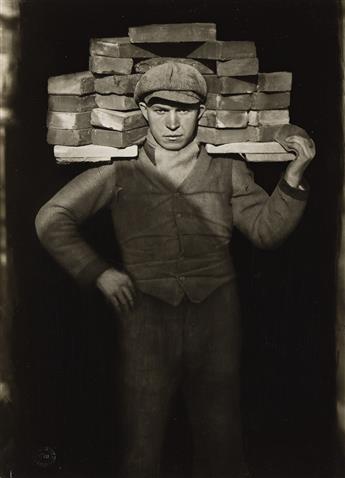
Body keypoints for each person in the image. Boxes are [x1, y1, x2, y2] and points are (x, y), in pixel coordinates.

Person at [35, 62, 316, 478]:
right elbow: (51, 218)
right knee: (142, 445)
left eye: (183, 110)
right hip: (146, 318)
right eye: (160, 109)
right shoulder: (119, 172)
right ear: (144, 111)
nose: (171, 122)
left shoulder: (228, 170)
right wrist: (99, 272)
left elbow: (266, 231)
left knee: (221, 442)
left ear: (200, 114)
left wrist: (294, 176)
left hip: (216, 317)